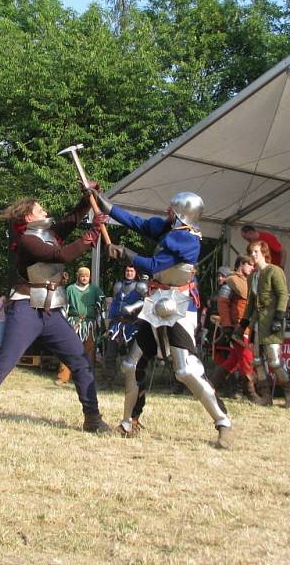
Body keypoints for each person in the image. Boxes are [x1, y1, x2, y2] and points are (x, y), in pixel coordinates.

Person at [0, 190, 111, 433]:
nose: (46, 212)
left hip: (52, 310)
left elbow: (70, 221)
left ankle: (92, 419)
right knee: (5, 364)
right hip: (26, 308)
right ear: (29, 217)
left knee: (81, 361)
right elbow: (58, 255)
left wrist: (86, 199)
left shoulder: (47, 233)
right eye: (40, 210)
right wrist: (91, 233)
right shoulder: (28, 241)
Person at [96, 190, 233, 449]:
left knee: (186, 370)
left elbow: (154, 265)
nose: (166, 212)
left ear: (181, 214)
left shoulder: (187, 241)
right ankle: (129, 421)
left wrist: (125, 252)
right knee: (132, 363)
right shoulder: (170, 229)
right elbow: (139, 223)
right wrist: (110, 208)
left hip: (179, 305)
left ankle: (223, 422)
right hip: (156, 301)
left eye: (171, 209)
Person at [235, 240, 290, 407]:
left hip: (271, 321)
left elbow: (283, 295)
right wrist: (243, 325)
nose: (253, 255)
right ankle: (266, 396)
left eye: (255, 252)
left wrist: (278, 317)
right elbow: (251, 303)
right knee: (257, 361)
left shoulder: (274, 271)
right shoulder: (253, 277)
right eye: (251, 252)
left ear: (263, 252)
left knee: (275, 361)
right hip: (257, 323)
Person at [210, 255, 259, 402]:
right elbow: (222, 304)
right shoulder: (231, 281)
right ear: (241, 264)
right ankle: (251, 394)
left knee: (234, 360)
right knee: (246, 357)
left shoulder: (249, 281)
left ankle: (210, 388)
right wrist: (227, 325)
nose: (252, 268)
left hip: (248, 326)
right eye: (249, 265)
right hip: (237, 327)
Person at [56, 267, 104, 385]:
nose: (84, 278)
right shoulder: (70, 289)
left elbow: (102, 304)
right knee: (68, 349)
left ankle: (87, 378)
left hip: (89, 324)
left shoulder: (94, 290)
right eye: (82, 276)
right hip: (74, 322)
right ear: (78, 276)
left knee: (89, 351)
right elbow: (64, 306)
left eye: (87, 276)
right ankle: (63, 377)